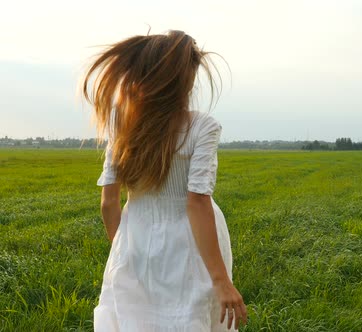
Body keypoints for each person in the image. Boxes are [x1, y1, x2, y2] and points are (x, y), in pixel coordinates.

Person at [83, 30, 247, 331]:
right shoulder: (202, 126)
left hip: (136, 236)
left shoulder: (122, 120)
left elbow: (109, 203)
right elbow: (196, 203)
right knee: (189, 315)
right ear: (186, 80)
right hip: (191, 242)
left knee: (134, 317)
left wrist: (126, 249)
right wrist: (222, 282)